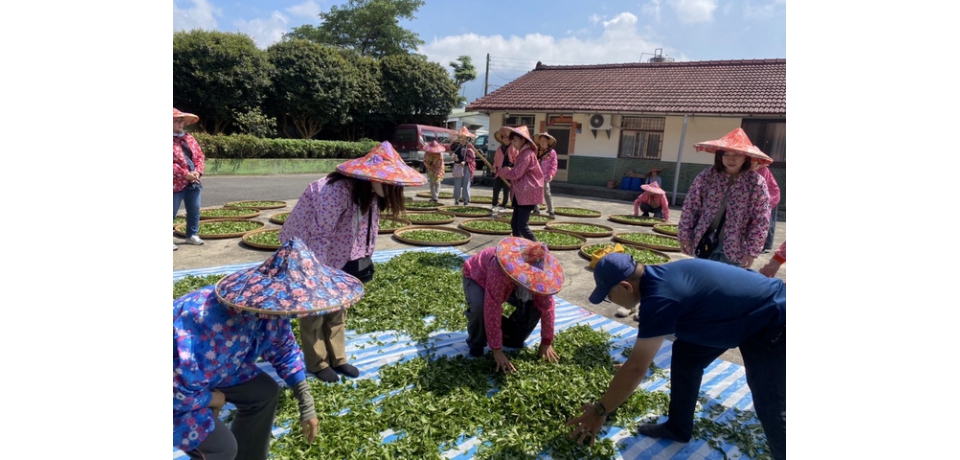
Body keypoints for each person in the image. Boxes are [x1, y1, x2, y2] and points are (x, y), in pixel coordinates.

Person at [566, 253, 786, 460]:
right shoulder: (659, 276)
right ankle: (678, 427)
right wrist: (632, 366)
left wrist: (600, 410)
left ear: (625, 286)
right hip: (735, 315)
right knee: (686, 355)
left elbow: (636, 368)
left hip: (774, 319)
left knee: (772, 405)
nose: (611, 300)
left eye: (608, 296)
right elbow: (642, 355)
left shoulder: (660, 298)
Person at [174, 238, 366, 460]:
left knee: (264, 392)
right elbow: (175, 391)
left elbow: (283, 349)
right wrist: (211, 400)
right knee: (222, 449)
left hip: (216, 370)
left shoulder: (272, 307)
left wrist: (306, 403)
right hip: (176, 390)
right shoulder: (212, 324)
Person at [280, 141, 424, 383]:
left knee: (338, 304)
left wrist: (362, 259)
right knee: (315, 306)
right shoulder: (333, 191)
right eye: (390, 184)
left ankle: (338, 358)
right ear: (371, 177)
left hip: (342, 252)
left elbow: (366, 231)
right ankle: (317, 362)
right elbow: (320, 235)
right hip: (306, 249)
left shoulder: (370, 193)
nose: (392, 189)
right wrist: (319, 274)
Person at [462, 237, 565, 373]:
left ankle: (510, 334)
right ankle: (477, 341)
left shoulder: (541, 279)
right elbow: (492, 307)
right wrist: (496, 349)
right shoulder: (499, 270)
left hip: (510, 285)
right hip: (478, 277)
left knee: (534, 307)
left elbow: (547, 308)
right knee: (480, 308)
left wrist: (546, 342)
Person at [678, 128, 771, 269]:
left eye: (737, 154)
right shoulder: (706, 176)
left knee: (727, 287)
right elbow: (691, 207)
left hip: (736, 248)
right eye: (726, 154)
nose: (731, 159)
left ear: (746, 157)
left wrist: (752, 251)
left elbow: (761, 220)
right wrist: (684, 235)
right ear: (719, 156)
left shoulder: (756, 183)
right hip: (705, 242)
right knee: (702, 283)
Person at [497, 126, 544, 241]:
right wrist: (507, 169)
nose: (513, 143)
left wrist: (501, 171)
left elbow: (517, 173)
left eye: (515, 140)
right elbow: (516, 171)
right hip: (520, 193)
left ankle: (539, 249)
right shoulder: (522, 154)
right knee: (515, 224)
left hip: (527, 192)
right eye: (512, 140)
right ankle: (519, 246)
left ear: (523, 140)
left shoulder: (527, 154)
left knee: (522, 226)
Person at [173, 107, 206, 251]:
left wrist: (198, 171)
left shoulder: (189, 138)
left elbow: (199, 156)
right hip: (174, 183)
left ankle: (192, 234)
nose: (180, 124)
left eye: (181, 121)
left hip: (193, 182)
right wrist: (184, 173)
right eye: (176, 121)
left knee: (194, 209)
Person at [757, 165, 782, 253]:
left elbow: (759, 186)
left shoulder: (763, 169)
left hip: (771, 196)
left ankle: (764, 245)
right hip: (760, 197)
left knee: (767, 221)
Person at [533, 132, 558, 218]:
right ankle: (536, 208)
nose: (542, 142)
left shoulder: (552, 152)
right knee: (536, 191)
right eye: (541, 140)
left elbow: (554, 164)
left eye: (544, 140)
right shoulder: (536, 151)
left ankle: (551, 211)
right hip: (535, 175)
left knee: (546, 192)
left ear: (548, 142)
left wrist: (551, 174)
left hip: (545, 175)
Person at [491, 130, 517, 211]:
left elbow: (516, 160)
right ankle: (494, 204)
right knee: (496, 189)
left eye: (507, 138)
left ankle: (503, 205)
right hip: (499, 171)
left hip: (508, 172)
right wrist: (494, 168)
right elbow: (496, 159)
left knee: (506, 190)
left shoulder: (513, 148)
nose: (505, 139)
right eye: (503, 138)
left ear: (510, 139)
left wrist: (512, 168)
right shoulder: (499, 148)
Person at [451, 134, 477, 205]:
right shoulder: (456, 145)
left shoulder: (469, 146)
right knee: (457, 184)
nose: (462, 138)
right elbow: (452, 153)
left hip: (466, 167)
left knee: (466, 184)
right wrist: (454, 157)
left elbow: (472, 157)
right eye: (461, 137)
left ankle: (466, 200)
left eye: (464, 137)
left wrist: (465, 161)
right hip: (457, 166)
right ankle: (456, 199)